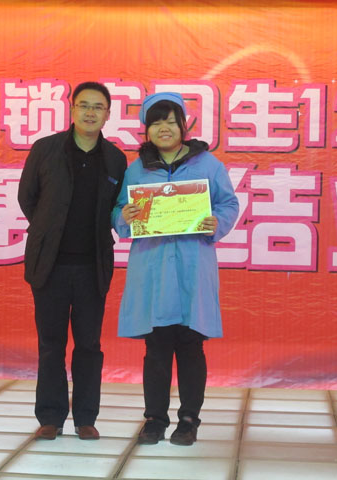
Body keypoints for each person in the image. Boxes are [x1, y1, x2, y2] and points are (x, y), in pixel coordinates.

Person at [112, 92, 239, 446]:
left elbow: (228, 203)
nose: (164, 128)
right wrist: (124, 216)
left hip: (192, 268)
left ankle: (189, 419)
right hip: (152, 269)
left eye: (171, 121)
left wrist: (218, 221)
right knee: (156, 347)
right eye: (156, 122)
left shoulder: (207, 164)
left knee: (190, 346)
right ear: (146, 129)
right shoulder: (137, 169)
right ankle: (154, 418)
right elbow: (118, 208)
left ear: (183, 125)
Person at [18, 82, 127, 441]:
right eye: (84, 105)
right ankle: (50, 417)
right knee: (51, 344)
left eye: (98, 107)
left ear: (107, 114)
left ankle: (85, 417)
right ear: (72, 109)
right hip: (49, 266)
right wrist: (49, 231)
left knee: (89, 345)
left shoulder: (115, 159)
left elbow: (117, 206)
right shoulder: (46, 149)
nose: (90, 112)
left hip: (92, 268)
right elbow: (27, 198)